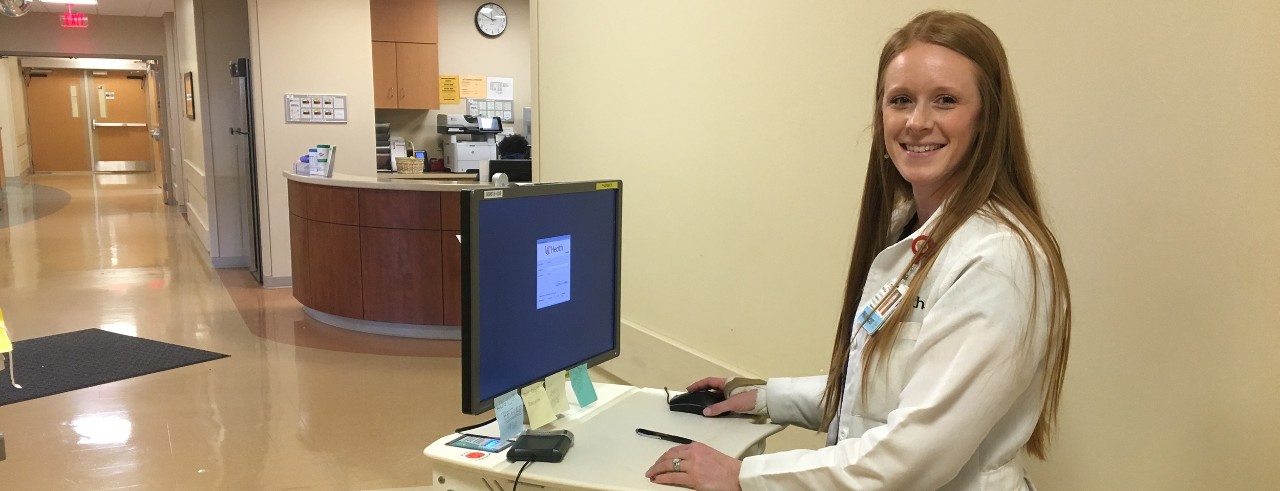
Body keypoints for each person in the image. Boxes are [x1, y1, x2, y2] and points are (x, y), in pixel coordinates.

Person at [644, 10, 1072, 491]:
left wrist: (744, 476)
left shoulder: (997, 257)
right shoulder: (910, 229)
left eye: (946, 100)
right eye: (901, 100)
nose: (917, 122)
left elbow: (914, 456)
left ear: (987, 120)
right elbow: (879, 394)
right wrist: (765, 398)